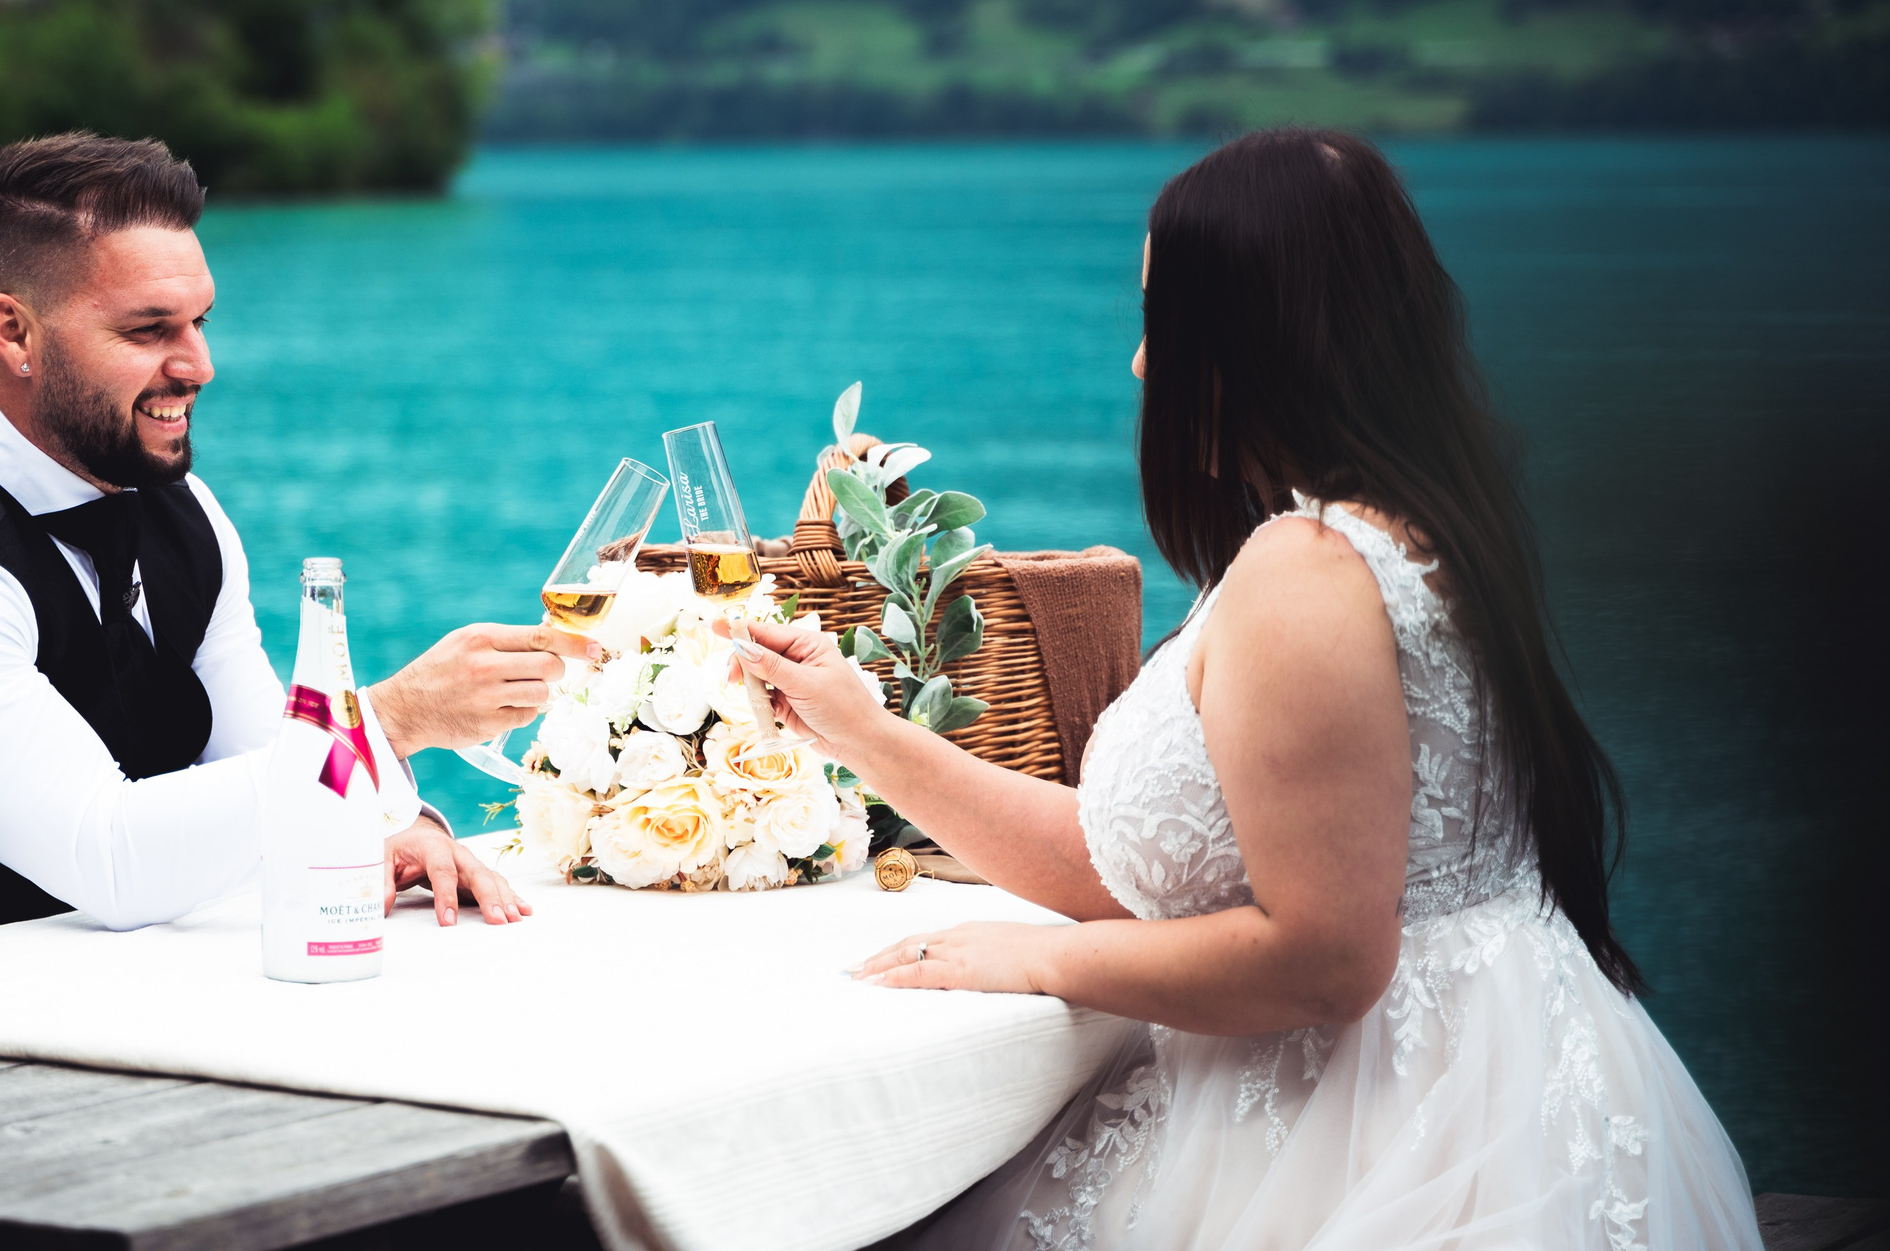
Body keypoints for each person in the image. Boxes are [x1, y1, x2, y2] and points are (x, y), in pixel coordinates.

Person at [734, 129, 1759, 1248]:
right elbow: (1137, 866)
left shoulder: (1309, 574)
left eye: (1157, 321)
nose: (1138, 364)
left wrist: (1034, 957)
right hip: (1494, 1074)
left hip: (1377, 1135)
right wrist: (862, 732)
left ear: (1253, 335)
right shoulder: (1414, 529)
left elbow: (1325, 956)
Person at [0, 132, 592, 965]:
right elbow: (113, 858)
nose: (199, 364)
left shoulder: (189, 515)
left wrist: (401, 829)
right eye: (148, 330)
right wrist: (392, 720)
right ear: (13, 332)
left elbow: (263, 762)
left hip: (49, 1014)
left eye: (201, 321)